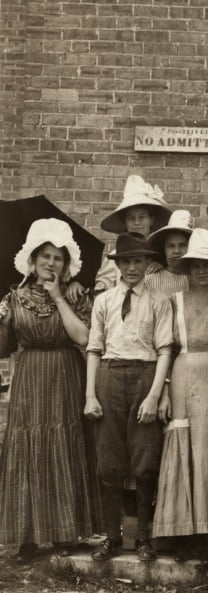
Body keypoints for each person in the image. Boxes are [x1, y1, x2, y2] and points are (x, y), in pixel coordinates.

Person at [0, 219, 100, 561]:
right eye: (45, 256)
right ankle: (26, 538)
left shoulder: (76, 295)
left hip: (65, 374)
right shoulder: (13, 298)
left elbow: (84, 338)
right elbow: (3, 348)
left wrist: (58, 297)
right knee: (28, 447)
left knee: (63, 445)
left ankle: (64, 533)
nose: (51, 263)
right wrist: (2, 321)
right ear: (32, 259)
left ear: (66, 264)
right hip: (29, 377)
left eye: (58, 257)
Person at [152, 229, 208, 562]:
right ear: (188, 269)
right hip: (183, 375)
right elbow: (166, 347)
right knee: (186, 445)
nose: (202, 271)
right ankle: (182, 532)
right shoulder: (174, 300)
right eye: (195, 265)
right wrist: (163, 392)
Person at [84, 233, 172, 562]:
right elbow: (94, 349)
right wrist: (90, 395)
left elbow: (165, 350)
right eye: (126, 261)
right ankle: (111, 537)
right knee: (109, 462)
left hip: (145, 375)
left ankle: (143, 538)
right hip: (109, 376)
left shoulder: (160, 301)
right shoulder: (104, 301)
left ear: (147, 263)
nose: (132, 267)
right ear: (117, 264)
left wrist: (154, 395)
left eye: (138, 260)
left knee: (145, 462)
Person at [94, 175, 171, 293]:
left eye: (142, 217)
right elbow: (104, 282)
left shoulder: (162, 252)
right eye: (131, 218)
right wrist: (101, 285)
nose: (137, 223)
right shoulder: (116, 254)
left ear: (152, 220)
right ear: (125, 222)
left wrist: (163, 267)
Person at [144, 209, 192, 296]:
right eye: (171, 246)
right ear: (164, 249)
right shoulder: (150, 281)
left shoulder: (198, 280)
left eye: (182, 245)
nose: (176, 251)